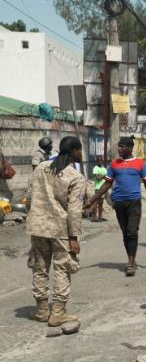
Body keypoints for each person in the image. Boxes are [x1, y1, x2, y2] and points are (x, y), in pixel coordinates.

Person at [25, 136, 85, 327]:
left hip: (38, 227)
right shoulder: (75, 177)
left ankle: (42, 310)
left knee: (39, 268)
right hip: (60, 229)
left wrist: (34, 215)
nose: (81, 153)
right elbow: (75, 210)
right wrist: (74, 237)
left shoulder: (41, 168)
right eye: (80, 150)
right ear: (75, 151)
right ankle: (58, 312)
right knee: (62, 268)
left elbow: (29, 195)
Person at [85, 136, 146, 276]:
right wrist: (92, 200)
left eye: (122, 146)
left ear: (130, 148)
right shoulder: (114, 164)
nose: (119, 149)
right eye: (118, 146)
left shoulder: (140, 164)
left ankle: (130, 263)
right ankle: (131, 257)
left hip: (134, 202)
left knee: (132, 231)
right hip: (118, 203)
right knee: (125, 233)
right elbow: (107, 184)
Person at [90, 156, 108, 222]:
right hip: (98, 188)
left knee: (101, 203)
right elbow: (97, 177)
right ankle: (94, 217)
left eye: (101, 160)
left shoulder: (104, 169)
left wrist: (102, 176)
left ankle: (100, 216)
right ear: (96, 161)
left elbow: (107, 177)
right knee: (96, 203)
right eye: (98, 160)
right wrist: (104, 176)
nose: (100, 161)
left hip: (104, 188)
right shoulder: (95, 168)